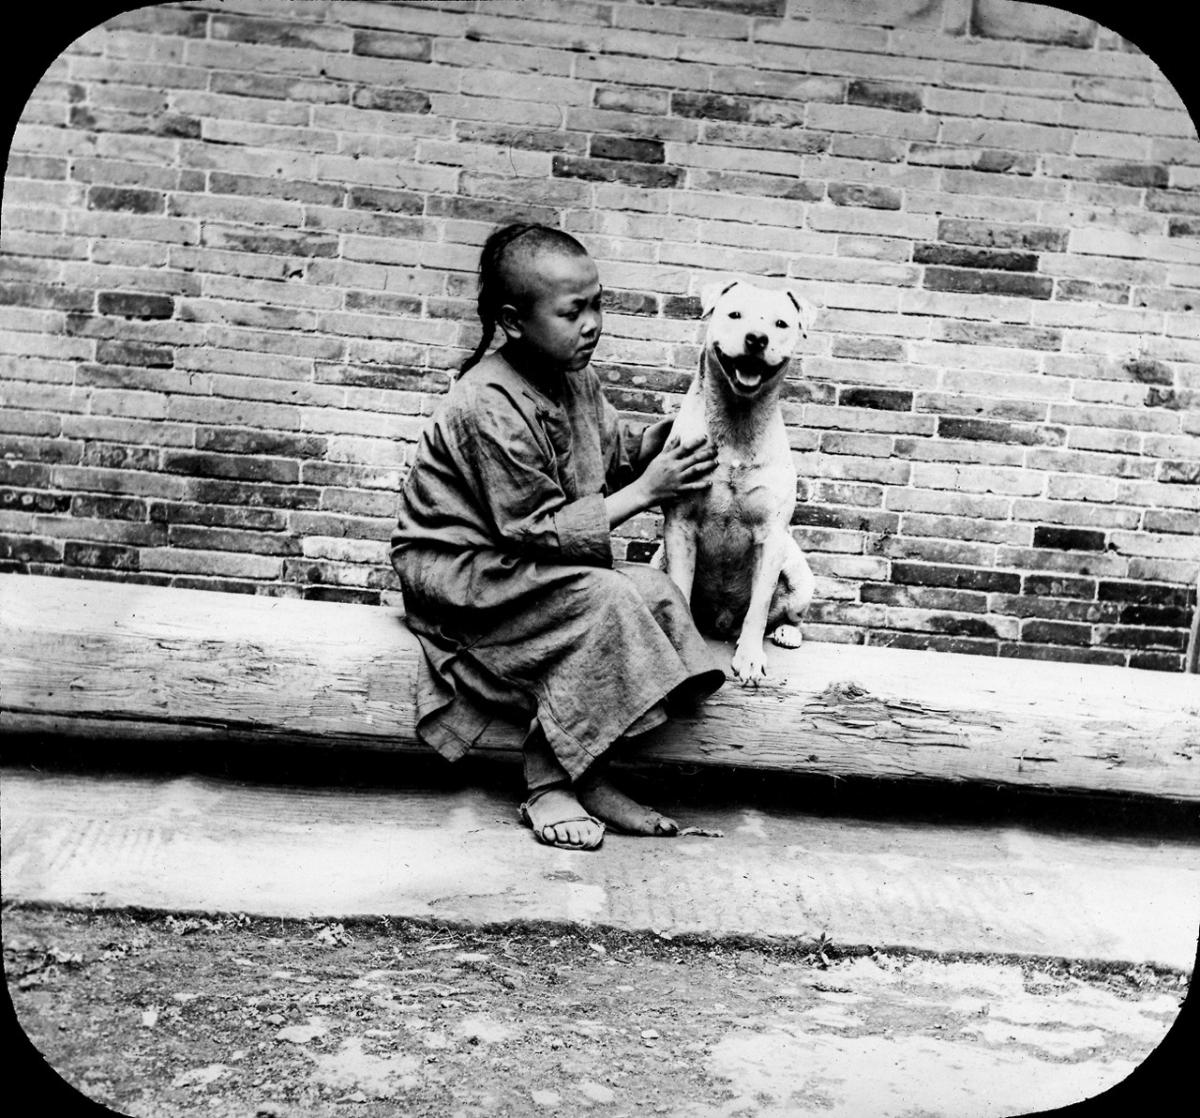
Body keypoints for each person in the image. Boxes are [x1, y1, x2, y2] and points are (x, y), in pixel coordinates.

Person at [391, 223, 725, 850]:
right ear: (515, 322)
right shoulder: (484, 403)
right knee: (606, 601)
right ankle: (548, 783)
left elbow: (612, 451)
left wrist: (664, 440)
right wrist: (651, 490)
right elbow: (535, 529)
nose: (593, 323)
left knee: (652, 590)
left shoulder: (573, 376)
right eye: (574, 311)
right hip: (464, 573)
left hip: (524, 564)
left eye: (598, 304)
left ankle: (589, 768)